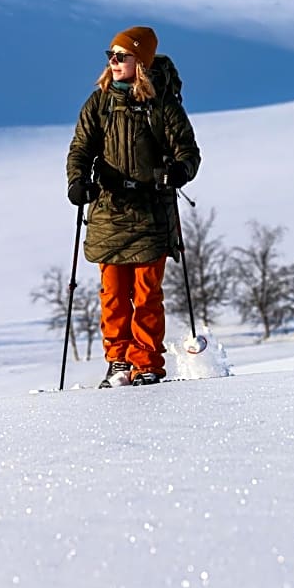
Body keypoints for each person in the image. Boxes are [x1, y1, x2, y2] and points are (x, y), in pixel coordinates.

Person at [66, 26, 201, 387]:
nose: (113, 61)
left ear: (139, 61)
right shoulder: (99, 103)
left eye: (121, 55)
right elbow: (80, 147)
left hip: (151, 212)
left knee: (146, 295)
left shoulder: (162, 106)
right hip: (109, 210)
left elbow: (188, 152)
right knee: (112, 296)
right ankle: (118, 361)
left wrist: (179, 171)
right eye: (110, 54)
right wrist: (77, 181)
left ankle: (146, 363)